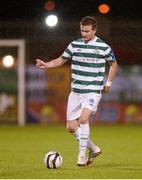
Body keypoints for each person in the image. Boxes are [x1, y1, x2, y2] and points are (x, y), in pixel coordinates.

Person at [36, 16, 118, 166]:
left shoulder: (103, 47)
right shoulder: (74, 45)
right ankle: (94, 149)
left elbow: (113, 64)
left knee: (83, 119)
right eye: (82, 31)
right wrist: (46, 64)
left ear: (94, 30)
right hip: (76, 92)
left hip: (93, 90)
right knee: (71, 127)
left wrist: (108, 83)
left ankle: (81, 156)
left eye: (87, 31)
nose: (84, 34)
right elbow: (61, 60)